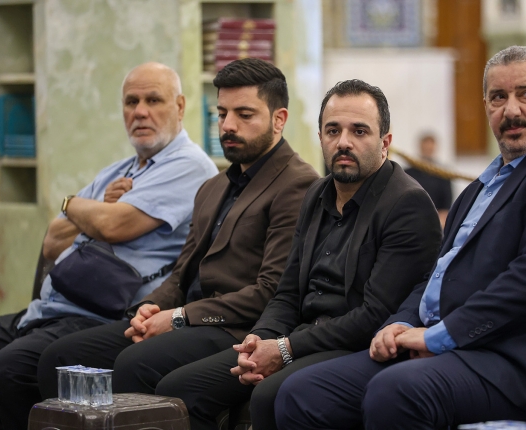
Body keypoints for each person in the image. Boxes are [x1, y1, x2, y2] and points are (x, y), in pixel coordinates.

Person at [275, 46, 526, 429]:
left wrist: (440, 336)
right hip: (455, 351)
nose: (511, 109)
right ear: (486, 107)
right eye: (498, 97)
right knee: (301, 393)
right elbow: (436, 276)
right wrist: (400, 324)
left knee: (395, 391)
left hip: (521, 365)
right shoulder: (476, 191)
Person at [142, 79, 443, 430]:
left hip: (357, 345)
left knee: (269, 394)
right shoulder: (317, 194)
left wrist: (284, 348)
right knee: (180, 389)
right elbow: (286, 292)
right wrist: (260, 337)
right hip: (302, 335)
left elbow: (375, 315)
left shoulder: (407, 203)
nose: (344, 142)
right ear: (320, 137)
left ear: (385, 142)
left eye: (359, 131)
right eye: (333, 130)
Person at [36, 58, 319, 411]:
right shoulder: (214, 186)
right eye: (222, 114)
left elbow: (270, 291)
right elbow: (181, 274)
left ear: (279, 119)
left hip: (236, 327)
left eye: (244, 115)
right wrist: (149, 307)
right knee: (60, 356)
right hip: (189, 320)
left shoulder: (297, 184)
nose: (228, 125)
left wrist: (178, 316)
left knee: (135, 364)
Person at [0, 62, 218, 430]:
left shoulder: (190, 165)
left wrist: (75, 205)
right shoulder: (116, 171)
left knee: (11, 367)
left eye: (153, 100)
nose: (140, 112)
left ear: (179, 107)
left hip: (101, 313)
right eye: (131, 102)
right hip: (50, 308)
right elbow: (52, 241)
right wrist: (100, 207)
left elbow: (113, 226)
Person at [404, 134, 453, 227]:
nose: (428, 150)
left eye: (430, 148)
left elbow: (446, 204)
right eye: (425, 147)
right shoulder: (408, 173)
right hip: (412, 218)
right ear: (420, 147)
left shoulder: (443, 173)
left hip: (436, 220)